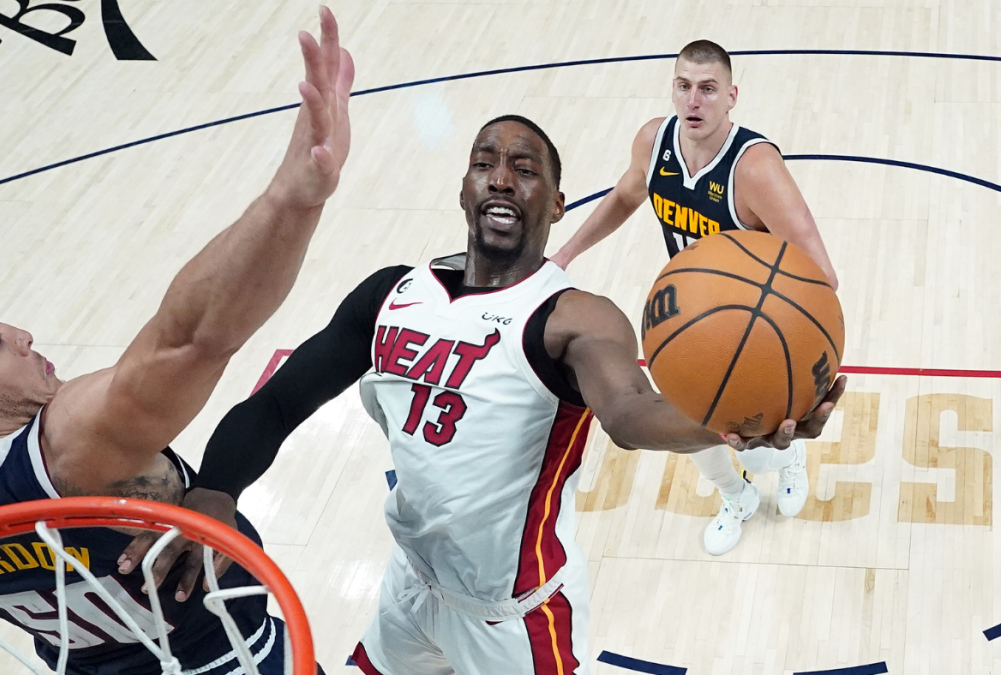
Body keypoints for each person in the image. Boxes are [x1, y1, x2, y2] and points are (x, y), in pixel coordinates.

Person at [132, 114, 844, 675]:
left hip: (515, 621)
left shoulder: (572, 317)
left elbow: (630, 413)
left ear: (558, 204)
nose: (502, 178)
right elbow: (276, 403)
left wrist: (729, 425)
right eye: (484, 163)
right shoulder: (391, 294)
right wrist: (217, 486)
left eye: (525, 169)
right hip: (411, 589)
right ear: (464, 190)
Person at [0, 8, 352, 674]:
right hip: (235, 661)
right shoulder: (69, 451)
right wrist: (292, 199)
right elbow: (191, 338)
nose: (25, 335)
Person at [548, 40, 840, 556]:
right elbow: (624, 197)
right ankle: (737, 499)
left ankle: (789, 459)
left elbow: (823, 275)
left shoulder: (755, 168)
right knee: (682, 427)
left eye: (707, 89)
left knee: (756, 448)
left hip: (750, 329)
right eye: (683, 86)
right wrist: (565, 255)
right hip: (686, 318)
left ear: (731, 97)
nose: (694, 101)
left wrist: (766, 312)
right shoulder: (653, 140)